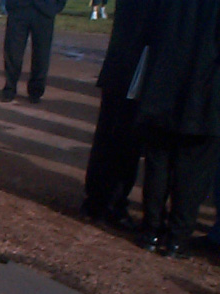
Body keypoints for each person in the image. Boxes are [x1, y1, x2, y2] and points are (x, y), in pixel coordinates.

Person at [135, 0, 220, 258]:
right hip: (205, 89)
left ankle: (151, 230)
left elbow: (147, 26)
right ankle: (177, 238)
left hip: (164, 81)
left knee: (158, 163)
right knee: (193, 170)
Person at [81, 0, 152, 230]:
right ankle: (110, 203)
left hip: (121, 66)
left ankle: (97, 199)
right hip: (134, 70)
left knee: (109, 136)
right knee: (124, 139)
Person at [0, 0, 67, 103]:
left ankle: (36, 90)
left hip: (45, 11)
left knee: (41, 54)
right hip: (18, 8)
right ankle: (9, 88)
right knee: (12, 51)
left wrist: (56, 7)